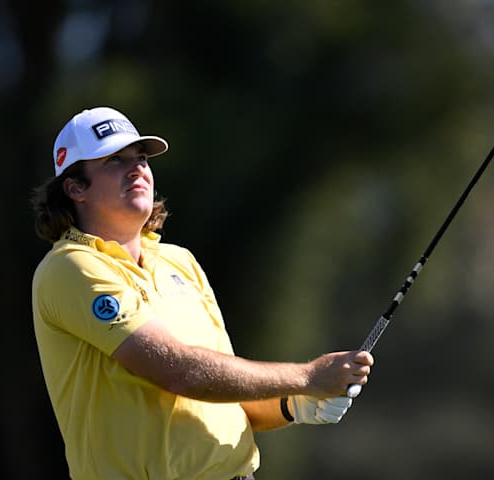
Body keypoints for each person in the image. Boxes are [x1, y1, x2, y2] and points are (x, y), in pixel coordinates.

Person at [30, 106, 374, 480]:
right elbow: (179, 371)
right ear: (75, 187)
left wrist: (297, 404)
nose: (137, 169)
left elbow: (227, 392)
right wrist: (307, 376)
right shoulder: (69, 267)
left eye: (141, 158)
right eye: (115, 160)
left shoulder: (180, 262)